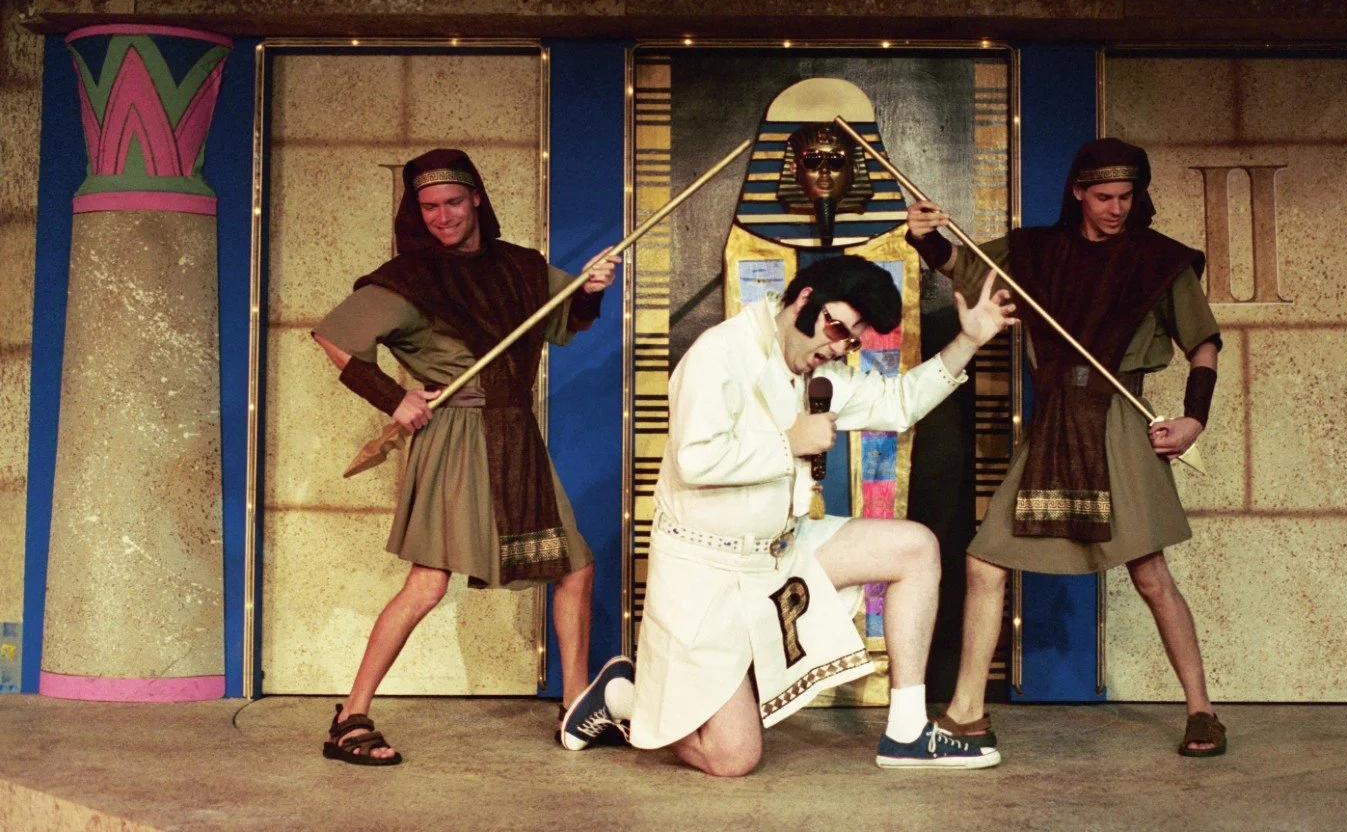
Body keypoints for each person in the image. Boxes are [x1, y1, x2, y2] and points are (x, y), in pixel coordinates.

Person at [561, 255, 1017, 774]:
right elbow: (694, 459)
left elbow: (897, 403)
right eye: (836, 328)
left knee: (914, 547)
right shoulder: (720, 354)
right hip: (705, 573)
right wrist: (787, 446)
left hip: (779, 551)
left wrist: (969, 341)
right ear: (805, 299)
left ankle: (908, 732)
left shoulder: (818, 371)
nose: (837, 346)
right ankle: (624, 697)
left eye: (851, 341)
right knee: (733, 759)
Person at [905, 137, 1227, 758]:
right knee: (984, 562)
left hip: (1120, 421)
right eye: (1104, 196)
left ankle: (1203, 711)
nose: (1117, 208)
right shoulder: (1037, 251)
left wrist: (1194, 419)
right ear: (1078, 192)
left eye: (1127, 197)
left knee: (1151, 574)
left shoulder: (1162, 261)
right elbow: (963, 265)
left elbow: (1204, 345)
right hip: (1055, 420)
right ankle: (968, 712)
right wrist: (924, 237)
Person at [312, 148, 619, 765]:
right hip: (457, 438)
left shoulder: (520, 269)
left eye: (453, 202)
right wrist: (394, 397)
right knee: (427, 584)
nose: (442, 216)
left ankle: (576, 705)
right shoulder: (409, 280)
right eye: (428, 207)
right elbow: (333, 336)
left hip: (515, 432)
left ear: (476, 197)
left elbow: (568, 319)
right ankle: (350, 717)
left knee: (576, 568)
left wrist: (590, 290)